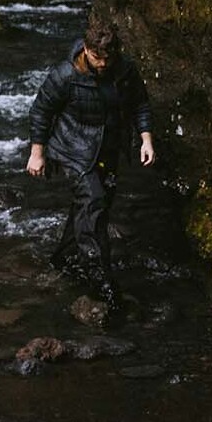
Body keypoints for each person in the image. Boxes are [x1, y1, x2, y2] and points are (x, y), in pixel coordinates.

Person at [25, 16, 156, 308]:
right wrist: (37, 153)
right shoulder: (65, 74)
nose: (102, 64)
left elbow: (140, 103)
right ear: (86, 49)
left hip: (107, 149)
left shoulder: (124, 70)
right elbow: (40, 111)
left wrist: (146, 140)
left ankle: (64, 257)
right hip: (73, 150)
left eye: (108, 58)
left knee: (94, 206)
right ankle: (101, 280)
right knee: (93, 203)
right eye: (97, 58)